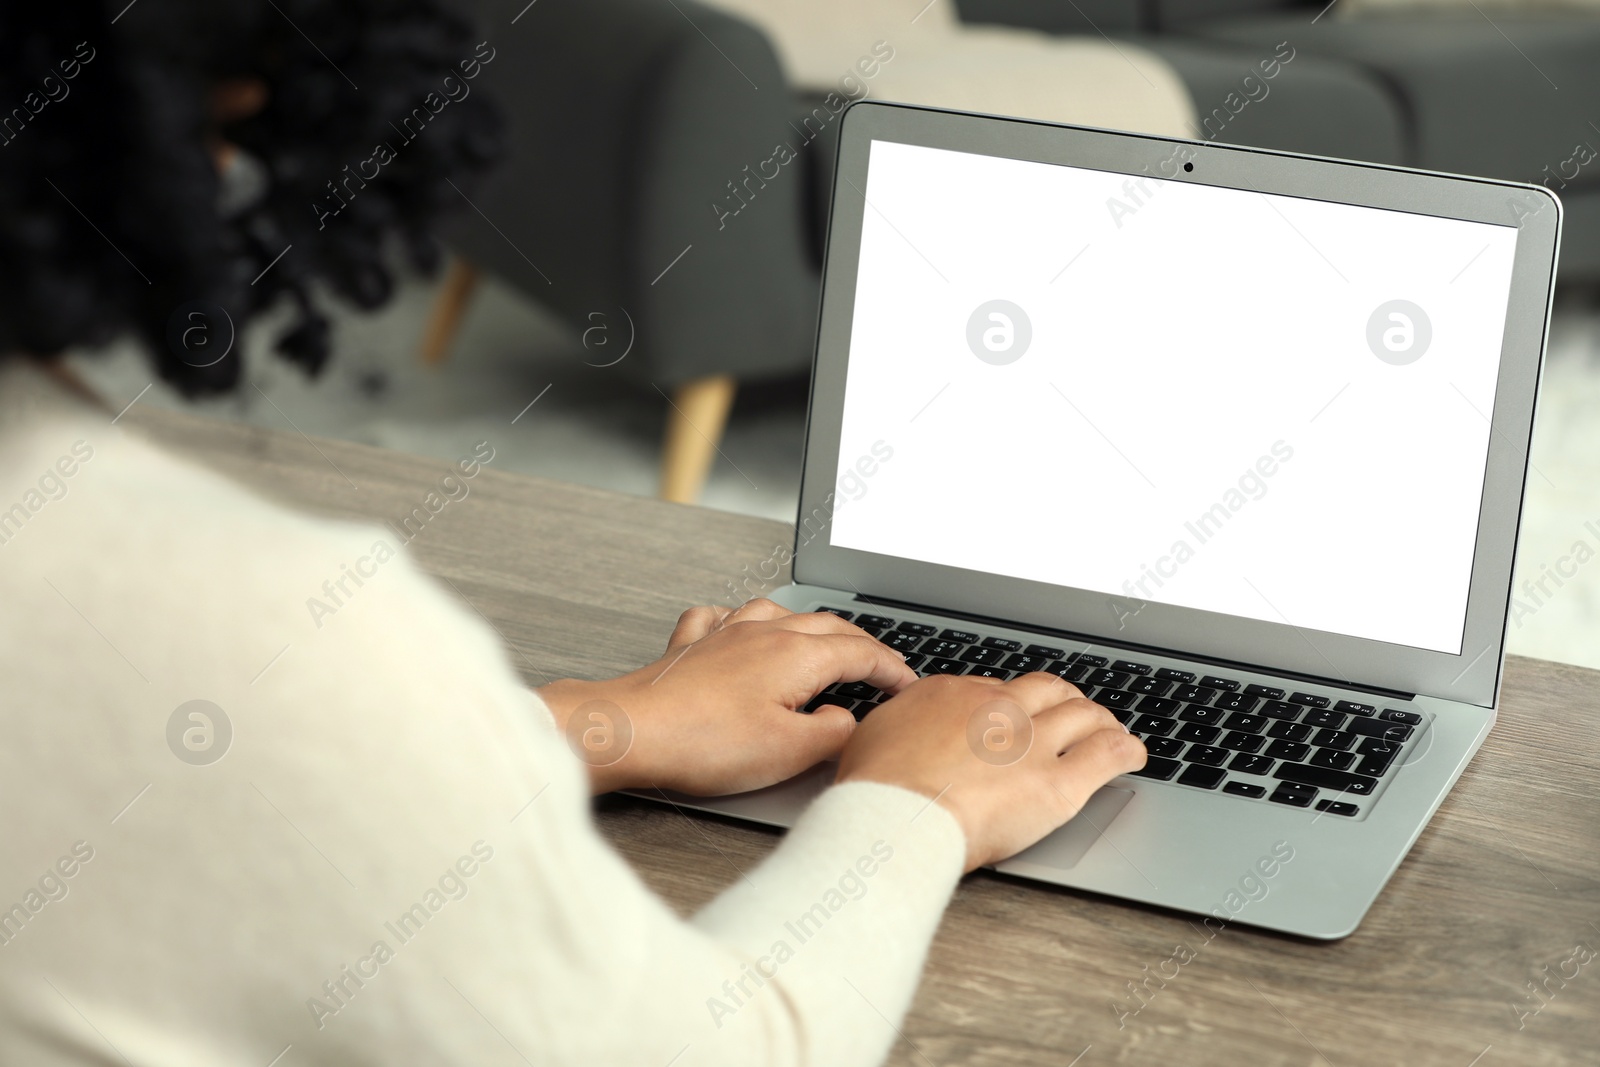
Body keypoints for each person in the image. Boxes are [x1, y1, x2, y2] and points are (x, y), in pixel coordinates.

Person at [0, 3, 1146, 1065]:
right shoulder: (274, 635)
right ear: (230, 119)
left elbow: (182, 779)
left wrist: (595, 723)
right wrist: (917, 804)